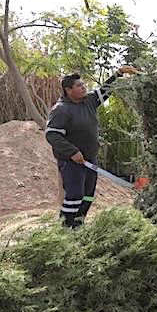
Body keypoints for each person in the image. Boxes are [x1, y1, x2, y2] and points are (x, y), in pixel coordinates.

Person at [45, 66, 138, 227]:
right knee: (75, 195)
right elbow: (52, 134)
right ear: (68, 90)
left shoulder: (88, 101)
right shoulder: (61, 110)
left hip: (90, 159)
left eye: (83, 84)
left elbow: (105, 90)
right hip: (72, 162)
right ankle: (64, 229)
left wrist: (119, 73)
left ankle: (79, 225)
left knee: (88, 195)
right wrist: (72, 152)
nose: (84, 87)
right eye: (79, 86)